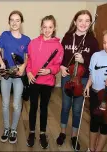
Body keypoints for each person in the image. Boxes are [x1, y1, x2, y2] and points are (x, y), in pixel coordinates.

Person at [56, 10, 99, 151]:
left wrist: (84, 60)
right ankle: (62, 132)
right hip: (67, 76)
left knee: (77, 109)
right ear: (75, 22)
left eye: (87, 20)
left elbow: (95, 63)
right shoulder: (68, 37)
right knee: (65, 106)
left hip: (82, 77)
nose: (83, 23)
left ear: (90, 23)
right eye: (80, 20)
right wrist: (62, 67)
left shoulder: (93, 41)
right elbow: (61, 56)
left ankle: (74, 136)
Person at [26, 15, 64, 149]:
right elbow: (29, 60)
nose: (47, 30)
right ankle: (31, 132)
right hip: (34, 80)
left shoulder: (58, 46)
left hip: (47, 82)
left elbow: (58, 65)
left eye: (50, 27)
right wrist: (29, 72)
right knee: (33, 107)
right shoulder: (33, 42)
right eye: (44, 27)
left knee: (43, 108)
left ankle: (42, 132)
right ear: (41, 28)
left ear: (54, 28)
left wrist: (49, 70)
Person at [0, 10, 31, 144]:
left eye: (17, 20)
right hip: (6, 75)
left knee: (16, 105)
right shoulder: (4, 35)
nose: (14, 23)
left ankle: (13, 129)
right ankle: (6, 128)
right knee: (4, 104)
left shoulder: (27, 40)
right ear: (9, 22)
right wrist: (1, 63)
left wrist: (23, 67)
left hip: (19, 77)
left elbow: (27, 58)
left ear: (21, 22)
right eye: (12, 20)